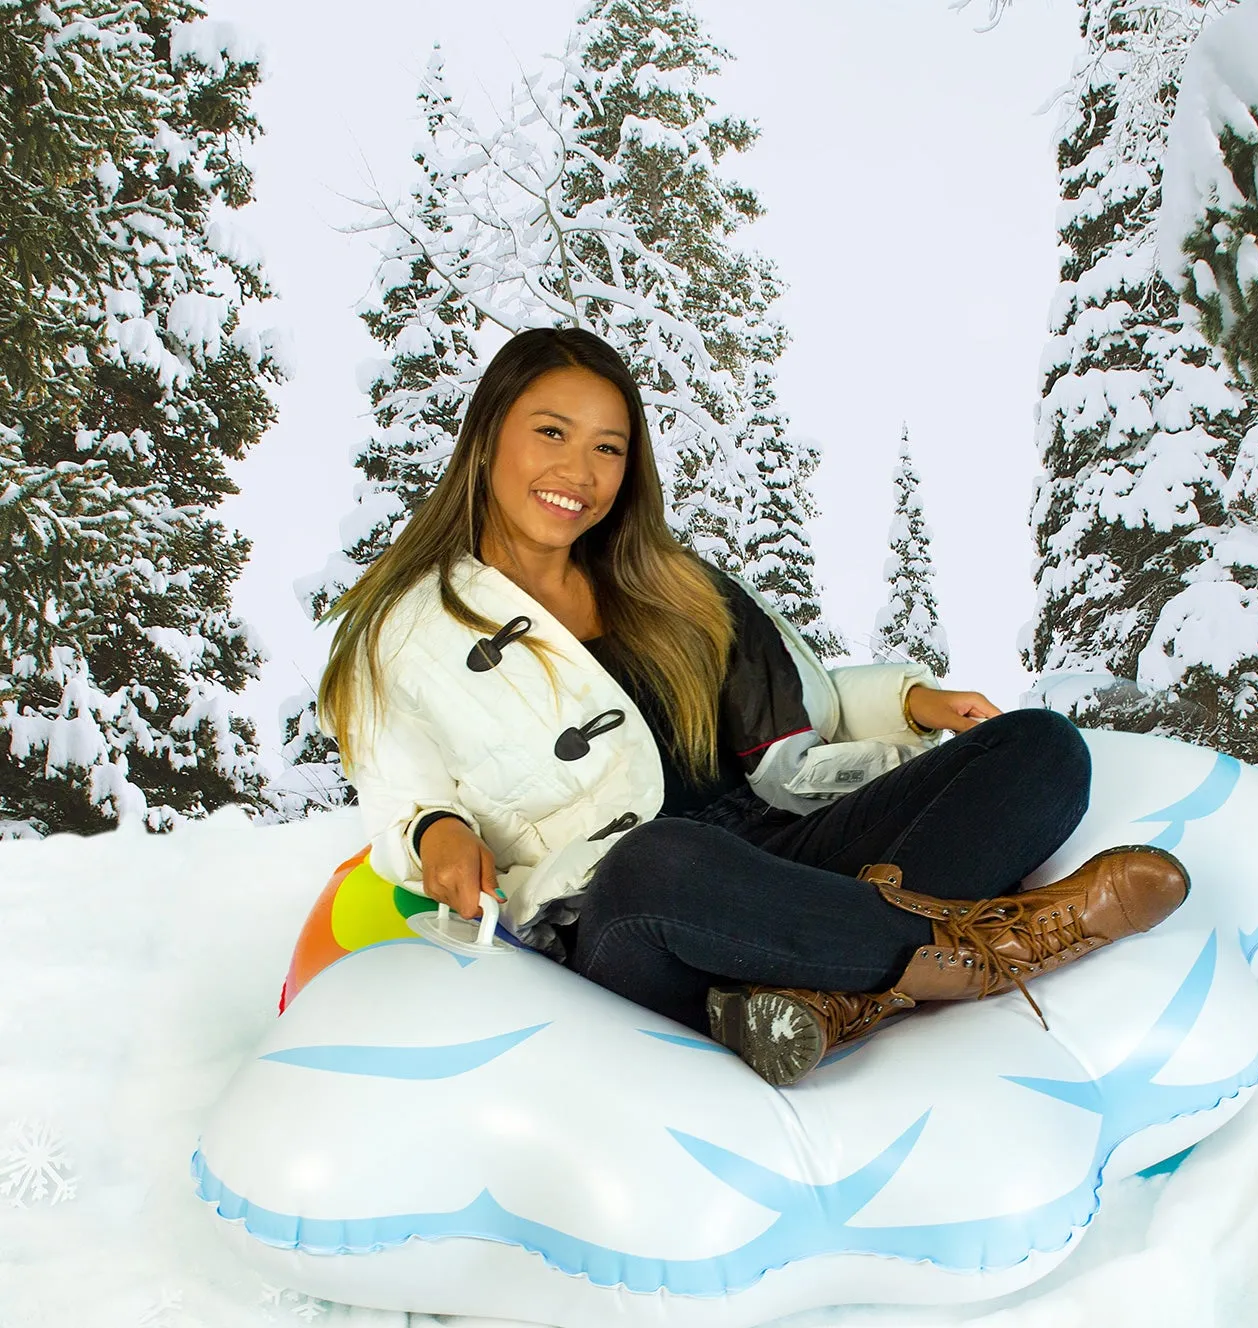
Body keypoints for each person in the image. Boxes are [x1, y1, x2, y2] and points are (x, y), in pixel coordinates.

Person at [318, 327, 1189, 1087]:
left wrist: (913, 699)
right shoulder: (399, 631)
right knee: (663, 859)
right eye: (552, 433)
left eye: (608, 449)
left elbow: (806, 711)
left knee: (1040, 749)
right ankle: (997, 945)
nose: (578, 473)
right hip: (626, 916)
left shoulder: (670, 585)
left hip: (781, 855)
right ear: (487, 437)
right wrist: (438, 831)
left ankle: (817, 989)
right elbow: (401, 788)